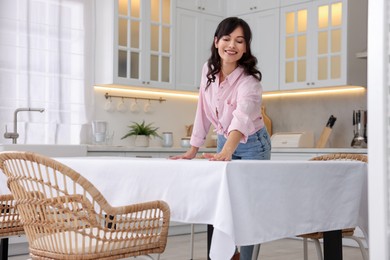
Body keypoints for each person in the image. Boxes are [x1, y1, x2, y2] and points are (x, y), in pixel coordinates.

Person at [171, 17, 271, 260]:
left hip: (252, 144)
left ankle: (245, 257)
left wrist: (228, 150)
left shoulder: (250, 81)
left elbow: (241, 118)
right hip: (223, 140)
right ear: (216, 41)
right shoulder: (208, 70)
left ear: (246, 47)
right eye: (227, 39)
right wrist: (192, 149)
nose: (232, 45)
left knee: (247, 208)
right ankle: (226, 254)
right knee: (221, 203)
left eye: (239, 41)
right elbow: (203, 110)